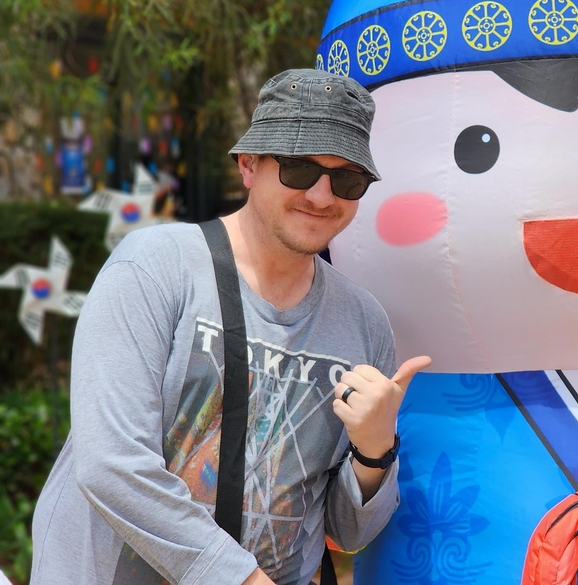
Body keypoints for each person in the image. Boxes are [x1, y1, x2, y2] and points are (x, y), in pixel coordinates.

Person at [32, 69, 431, 584]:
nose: (323, 195)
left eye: (348, 179)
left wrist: (374, 453)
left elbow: (346, 532)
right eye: (299, 168)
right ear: (248, 165)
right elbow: (112, 463)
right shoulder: (154, 268)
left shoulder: (363, 324)